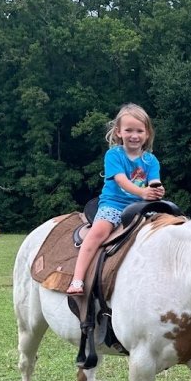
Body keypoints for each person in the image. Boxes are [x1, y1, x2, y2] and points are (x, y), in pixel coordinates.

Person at [67, 104, 165, 295]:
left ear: (147, 134)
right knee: (98, 232)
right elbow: (121, 181)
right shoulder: (114, 155)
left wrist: (157, 190)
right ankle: (77, 279)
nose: (134, 135)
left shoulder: (151, 160)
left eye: (139, 131)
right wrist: (142, 192)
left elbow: (154, 181)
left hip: (142, 207)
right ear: (119, 132)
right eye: (128, 130)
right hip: (114, 204)